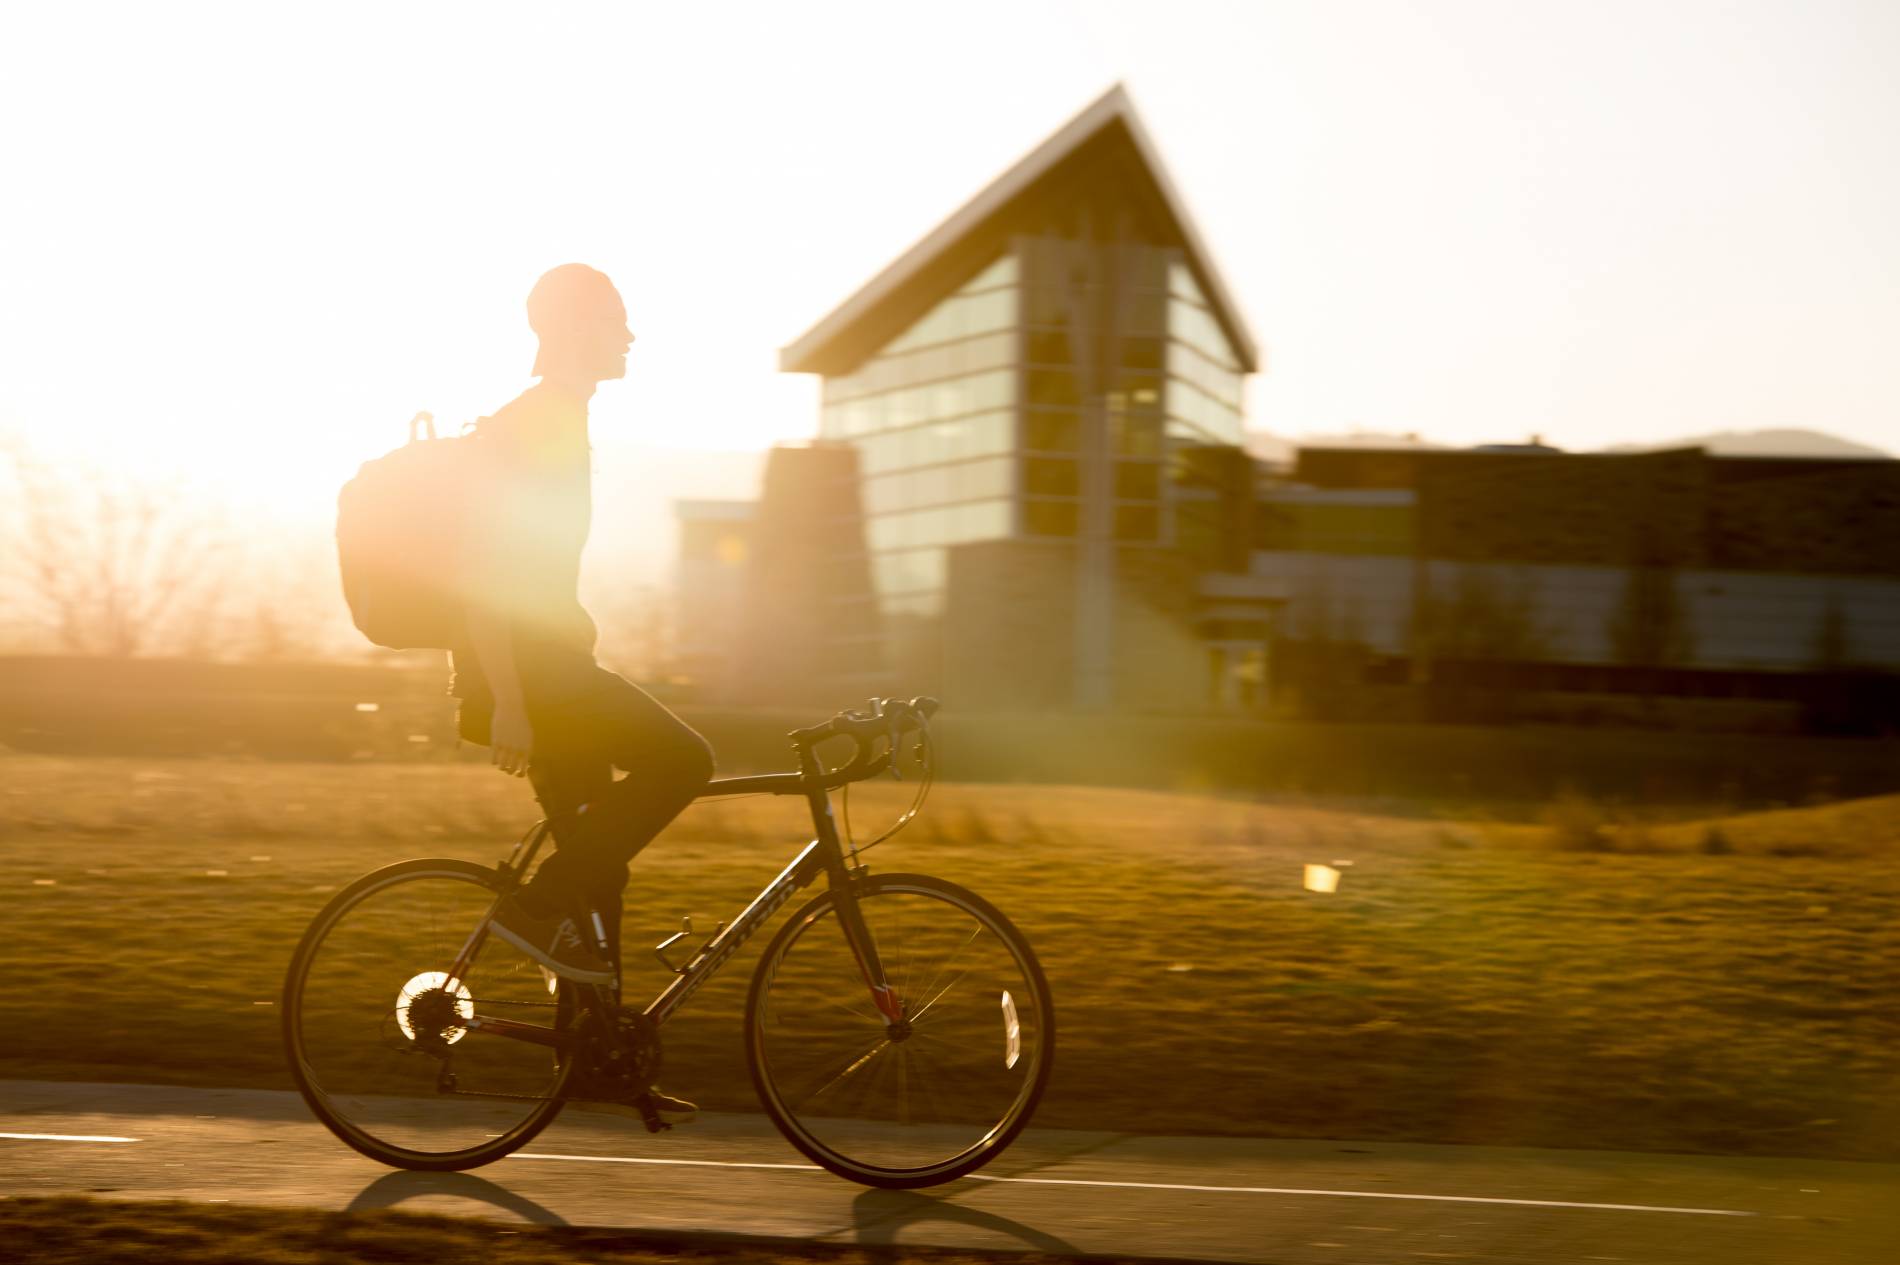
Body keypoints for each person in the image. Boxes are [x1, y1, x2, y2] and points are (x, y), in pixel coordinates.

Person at [451, 263, 715, 1015]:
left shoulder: (562, 418)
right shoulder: (537, 423)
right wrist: (506, 700)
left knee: (599, 869)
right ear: (575, 330)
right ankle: (532, 911)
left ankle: (595, 1052)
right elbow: (481, 570)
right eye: (614, 319)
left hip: (553, 670)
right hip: (535, 680)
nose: (629, 334)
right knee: (686, 759)